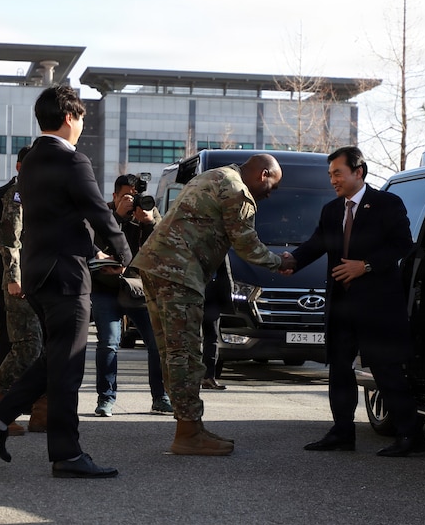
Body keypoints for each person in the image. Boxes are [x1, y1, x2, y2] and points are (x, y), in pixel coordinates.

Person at [0, 85, 132, 479]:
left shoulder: (32, 162)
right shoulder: (72, 160)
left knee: (54, 358)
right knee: (68, 367)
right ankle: (67, 454)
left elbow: (59, 216)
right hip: (66, 277)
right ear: (67, 118)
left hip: (38, 275)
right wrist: (126, 255)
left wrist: (93, 250)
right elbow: (98, 211)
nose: (80, 126)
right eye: (80, 118)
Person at [131, 154, 293, 455]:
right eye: (273, 185)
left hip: (156, 266)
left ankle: (190, 424)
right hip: (179, 272)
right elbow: (246, 243)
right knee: (186, 353)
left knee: (171, 351)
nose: (271, 193)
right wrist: (279, 261)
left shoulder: (214, 175)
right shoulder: (237, 190)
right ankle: (187, 434)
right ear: (264, 174)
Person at [282, 146, 423, 457]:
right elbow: (317, 243)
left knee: (386, 371)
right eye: (330, 174)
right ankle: (342, 432)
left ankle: (410, 436)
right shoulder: (332, 210)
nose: (333, 179)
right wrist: (292, 260)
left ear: (358, 172)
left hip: (378, 307)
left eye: (338, 173)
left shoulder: (387, 203)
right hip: (341, 305)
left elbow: (403, 245)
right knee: (339, 370)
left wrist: (365, 265)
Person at [89, 174, 173, 417]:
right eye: (126, 196)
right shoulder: (101, 215)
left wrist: (147, 223)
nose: (131, 200)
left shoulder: (150, 213)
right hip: (106, 288)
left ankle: (160, 397)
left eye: (134, 196)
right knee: (108, 343)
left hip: (139, 288)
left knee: (157, 344)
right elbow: (92, 245)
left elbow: (161, 249)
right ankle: (106, 398)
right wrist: (116, 217)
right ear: (114, 196)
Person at [0, 146, 47, 436]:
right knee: (22, 345)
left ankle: (41, 410)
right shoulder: (13, 194)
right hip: (19, 281)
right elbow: (8, 241)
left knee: (45, 345)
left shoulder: (48, 192)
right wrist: (13, 277)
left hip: (45, 279)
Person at [200, 263, 231, 390]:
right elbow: (225, 271)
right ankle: (207, 377)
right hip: (209, 292)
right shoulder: (218, 243)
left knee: (207, 336)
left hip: (195, 290)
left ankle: (205, 376)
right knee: (211, 337)